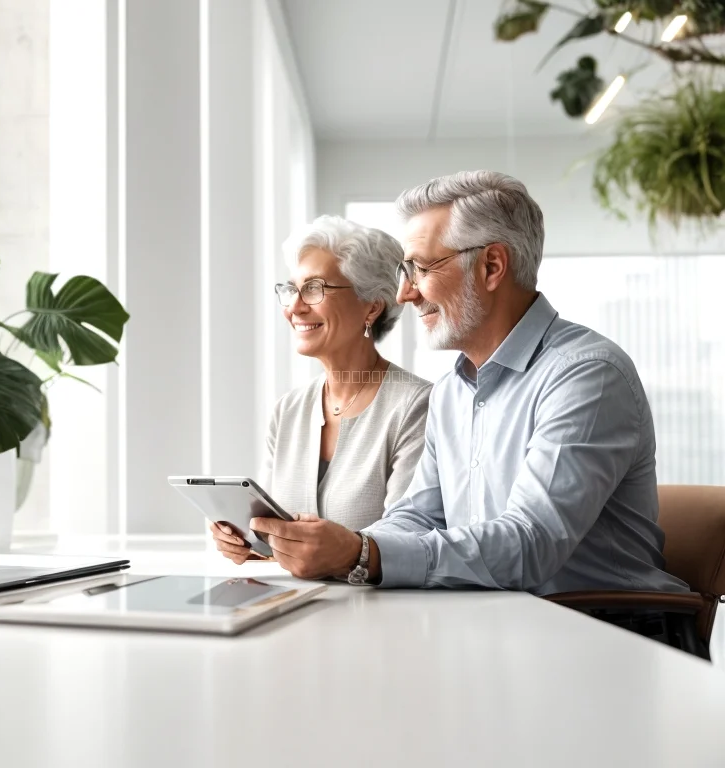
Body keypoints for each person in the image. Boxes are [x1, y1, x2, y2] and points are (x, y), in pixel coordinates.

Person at [246, 170, 689, 595]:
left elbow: (530, 543)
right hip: (498, 623)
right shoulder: (452, 392)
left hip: (601, 629)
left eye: (420, 268)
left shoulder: (585, 375)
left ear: (492, 266)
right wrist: (348, 549)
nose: (405, 293)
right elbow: (416, 517)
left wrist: (361, 553)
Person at [211, 215, 432, 564]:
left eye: (314, 289)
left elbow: (409, 538)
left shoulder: (417, 405)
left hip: (377, 599)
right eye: (291, 290)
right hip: (296, 597)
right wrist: (249, 543)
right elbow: (275, 537)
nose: (294, 307)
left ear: (372, 306)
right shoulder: (288, 411)